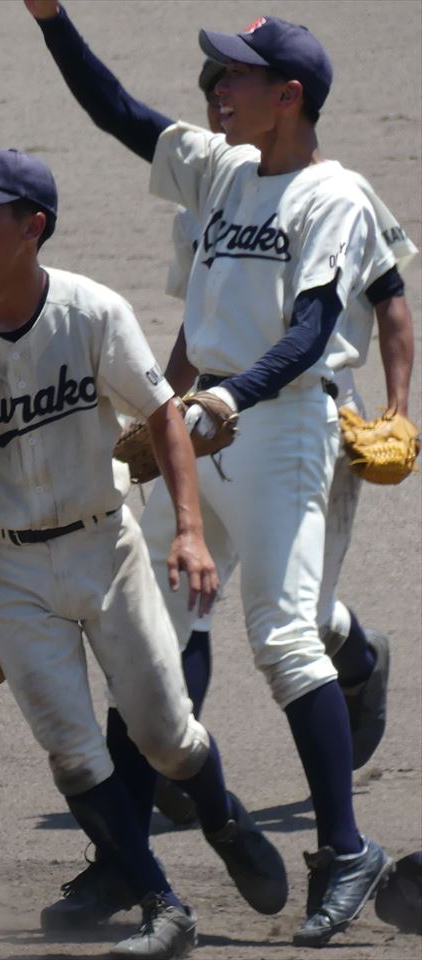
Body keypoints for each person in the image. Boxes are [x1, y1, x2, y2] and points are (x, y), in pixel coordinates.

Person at [25, 1, 397, 946]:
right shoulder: (224, 165)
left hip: (284, 429)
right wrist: (50, 17)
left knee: (284, 639)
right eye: (219, 75)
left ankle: (345, 849)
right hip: (208, 422)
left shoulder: (335, 197)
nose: (217, 88)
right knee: (144, 627)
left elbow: (314, 330)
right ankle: (121, 862)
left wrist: (226, 402)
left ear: (289, 96)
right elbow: (117, 112)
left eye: (236, 76)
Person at [0, 147, 287, 960]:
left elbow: (163, 416)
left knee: (165, 736)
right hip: (9, 565)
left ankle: (220, 818)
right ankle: (160, 903)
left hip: (104, 549)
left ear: (32, 225)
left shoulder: (92, 312)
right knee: (72, 753)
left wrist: (186, 528)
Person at [153, 56, 417, 828]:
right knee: (189, 596)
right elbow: (200, 328)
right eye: (208, 95)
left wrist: (398, 411)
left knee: (301, 615)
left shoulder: (337, 192)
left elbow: (389, 304)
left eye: (227, 90)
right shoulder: (216, 196)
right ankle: (174, 764)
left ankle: (361, 662)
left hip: (310, 413)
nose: (217, 106)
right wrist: (167, 411)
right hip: (219, 418)